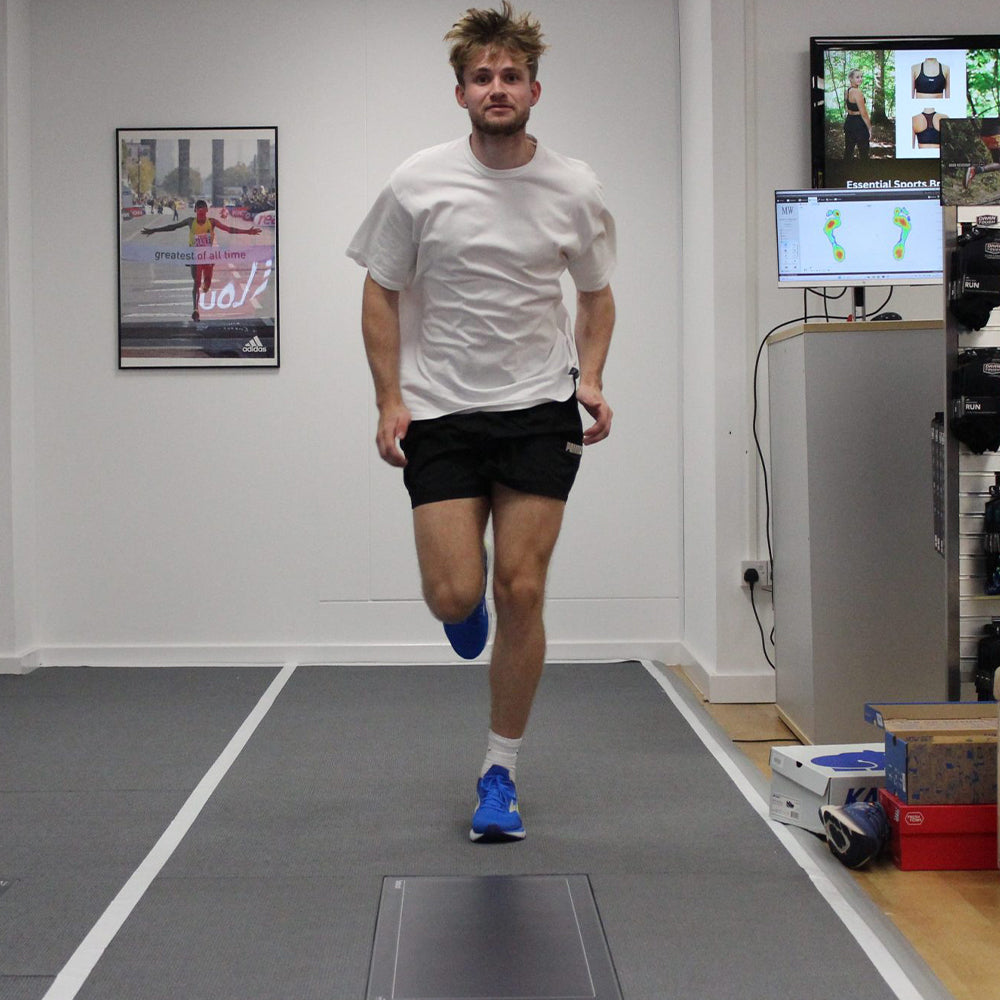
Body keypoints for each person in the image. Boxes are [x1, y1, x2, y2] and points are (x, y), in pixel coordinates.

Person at [346, 2, 616, 843]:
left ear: (533, 87)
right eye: (481, 77)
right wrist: (389, 397)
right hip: (443, 409)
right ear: (460, 93)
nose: (497, 88)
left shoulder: (573, 187)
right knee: (457, 594)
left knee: (523, 589)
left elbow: (597, 295)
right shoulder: (417, 181)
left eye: (510, 76)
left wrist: (594, 378)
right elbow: (380, 290)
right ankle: (465, 606)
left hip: (539, 407)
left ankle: (499, 771)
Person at [141, 199, 261, 320]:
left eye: (203, 209)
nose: (201, 212)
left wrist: (248, 232)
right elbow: (173, 227)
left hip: (208, 257)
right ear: (195, 211)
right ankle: (196, 309)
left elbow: (229, 229)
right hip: (195, 256)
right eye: (199, 210)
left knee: (207, 284)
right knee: (196, 282)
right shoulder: (190, 221)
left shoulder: (212, 222)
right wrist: (154, 230)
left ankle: (204, 289)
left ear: (207, 211)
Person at [843, 68, 872, 160]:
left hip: (849, 122)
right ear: (851, 79)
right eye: (857, 77)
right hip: (859, 124)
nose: (860, 79)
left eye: (861, 77)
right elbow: (864, 113)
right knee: (864, 153)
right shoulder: (857, 92)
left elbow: (847, 108)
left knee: (848, 151)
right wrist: (869, 128)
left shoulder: (847, 91)